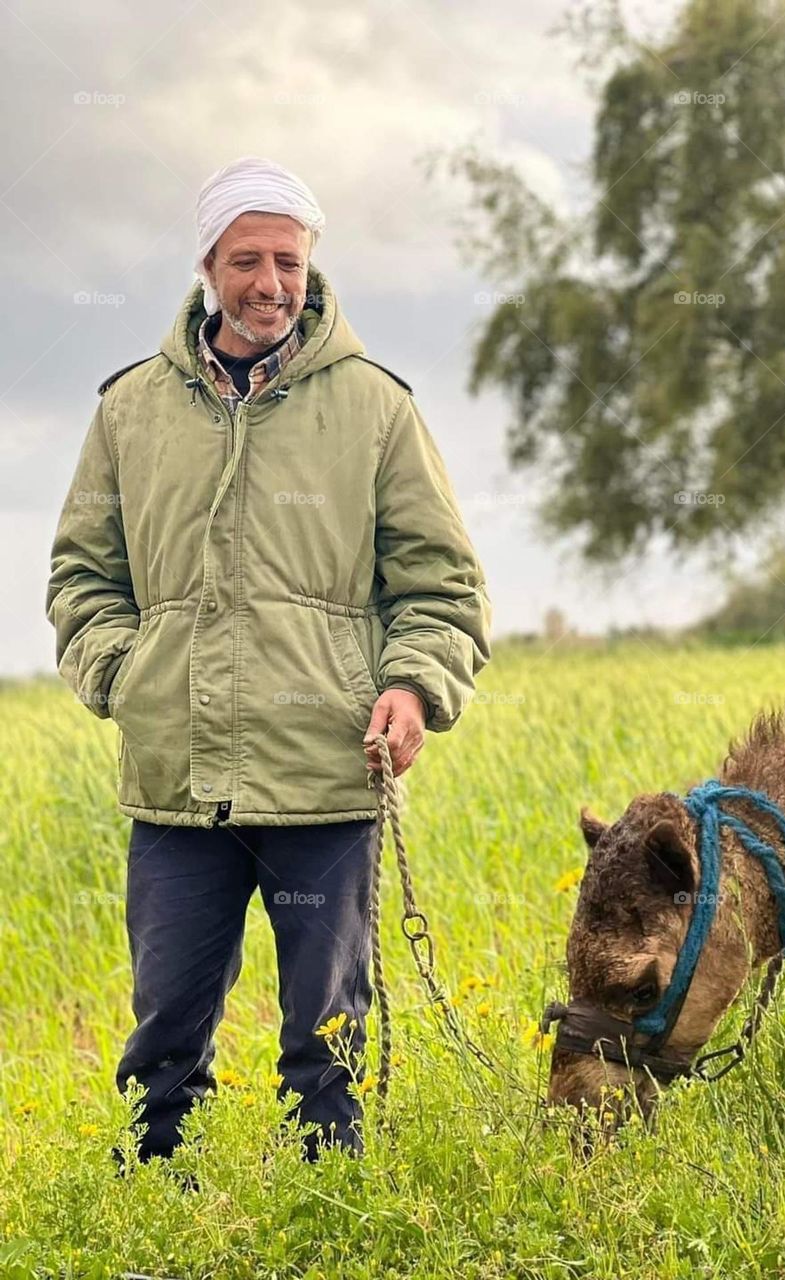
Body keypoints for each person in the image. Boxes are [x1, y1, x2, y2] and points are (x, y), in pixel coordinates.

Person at [45, 155, 492, 1168]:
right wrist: (125, 674)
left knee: (325, 1037)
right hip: (177, 786)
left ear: (310, 264)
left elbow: (441, 583)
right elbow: (82, 574)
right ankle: (154, 1199)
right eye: (246, 259)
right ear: (208, 265)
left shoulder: (377, 408)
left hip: (327, 782)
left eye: (287, 259)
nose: (270, 282)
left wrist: (414, 685)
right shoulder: (129, 409)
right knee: (164, 1031)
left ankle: (324, 1211)